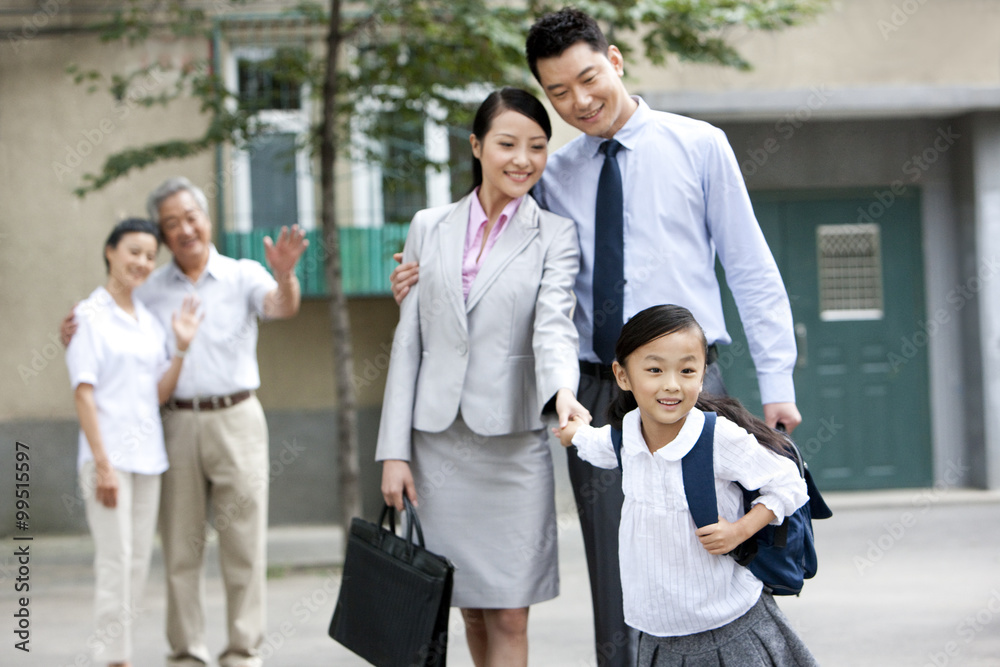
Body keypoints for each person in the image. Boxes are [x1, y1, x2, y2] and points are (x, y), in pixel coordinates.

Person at [392, 8, 802, 664]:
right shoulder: (553, 175)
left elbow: (751, 268)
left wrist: (778, 381)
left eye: (587, 79)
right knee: (618, 569)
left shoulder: (698, 145)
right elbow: (502, 267)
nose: (579, 101)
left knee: (713, 548)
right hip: (596, 387)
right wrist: (424, 276)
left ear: (614, 62)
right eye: (558, 92)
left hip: (690, 384)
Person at [377, 87, 590, 667]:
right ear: (476, 146)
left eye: (538, 147)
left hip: (514, 445)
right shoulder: (428, 226)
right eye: (507, 144)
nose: (523, 159)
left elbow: (554, 326)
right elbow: (409, 341)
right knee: (466, 606)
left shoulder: (555, 235)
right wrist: (393, 452)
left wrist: (563, 394)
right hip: (437, 444)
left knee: (510, 609)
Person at [62, 177, 308, 667]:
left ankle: (242, 652)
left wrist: (285, 277)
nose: (184, 229)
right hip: (171, 426)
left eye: (190, 217)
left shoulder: (243, 274)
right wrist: (74, 327)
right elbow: (111, 322)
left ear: (207, 218)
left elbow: (282, 307)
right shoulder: (149, 287)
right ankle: (186, 653)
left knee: (244, 544)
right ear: (162, 234)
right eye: (170, 224)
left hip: (237, 417)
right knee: (180, 548)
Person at [556, 304, 817, 666]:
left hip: (728, 630)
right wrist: (572, 433)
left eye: (687, 370)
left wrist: (740, 530)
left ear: (702, 374)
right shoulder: (626, 436)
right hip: (657, 636)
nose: (671, 384)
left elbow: (788, 482)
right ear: (622, 375)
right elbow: (597, 444)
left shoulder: (716, 438)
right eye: (654, 369)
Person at [66, 218, 201, 667]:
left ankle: (120, 656)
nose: (142, 262)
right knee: (114, 562)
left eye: (149, 255)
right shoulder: (89, 315)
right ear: (110, 252)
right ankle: (114, 660)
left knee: (138, 564)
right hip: (108, 460)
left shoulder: (147, 321)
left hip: (148, 460)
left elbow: (157, 394)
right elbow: (83, 392)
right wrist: (103, 464)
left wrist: (180, 348)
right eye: (134, 252)